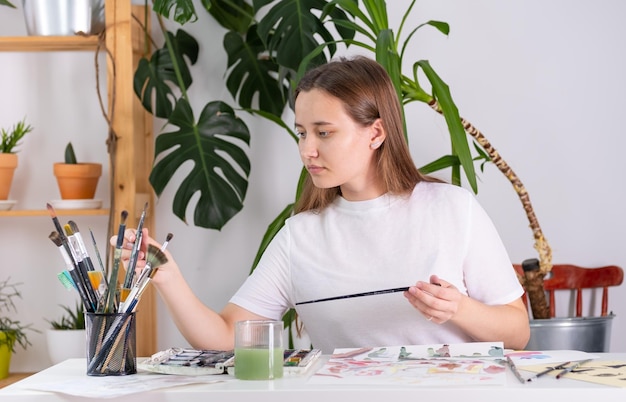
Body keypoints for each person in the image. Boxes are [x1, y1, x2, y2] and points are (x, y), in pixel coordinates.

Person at [114, 56, 530, 353]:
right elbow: (226, 336)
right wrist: (166, 275)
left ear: (376, 133)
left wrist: (460, 309)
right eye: (301, 133)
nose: (308, 150)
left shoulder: (452, 209)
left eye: (324, 133)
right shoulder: (301, 236)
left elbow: (518, 332)